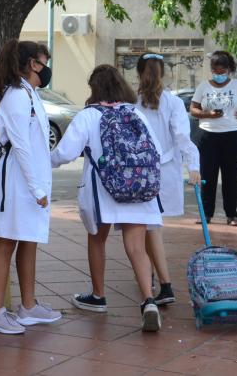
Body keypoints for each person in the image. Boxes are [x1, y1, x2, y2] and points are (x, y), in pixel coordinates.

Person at [52, 64, 164, 332]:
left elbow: (66, 153)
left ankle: (98, 296)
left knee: (97, 239)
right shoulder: (135, 113)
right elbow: (156, 150)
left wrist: (44, 161)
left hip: (105, 191)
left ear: (95, 88)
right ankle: (149, 301)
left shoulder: (89, 115)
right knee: (137, 247)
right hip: (139, 190)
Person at [0, 40, 62, 334]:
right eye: (44, 62)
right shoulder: (17, 96)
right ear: (33, 64)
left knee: (28, 238)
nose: (47, 69)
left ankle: (28, 307)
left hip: (27, 181)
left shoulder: (29, 93)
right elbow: (21, 147)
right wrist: (36, 189)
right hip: (15, 183)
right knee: (6, 241)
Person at [135, 53, 200, 305]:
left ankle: (164, 284)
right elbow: (183, 137)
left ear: (139, 73)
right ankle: (152, 278)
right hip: (165, 173)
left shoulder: (135, 103)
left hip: (140, 174)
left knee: (149, 229)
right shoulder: (172, 102)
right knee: (151, 227)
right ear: (163, 72)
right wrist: (193, 166)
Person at [190, 51, 237, 227]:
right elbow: (193, 109)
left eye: (222, 72)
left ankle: (232, 215)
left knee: (231, 177)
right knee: (208, 177)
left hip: (234, 137)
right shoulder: (203, 87)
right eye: (215, 71)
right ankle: (206, 214)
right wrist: (208, 114)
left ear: (229, 70)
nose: (219, 75)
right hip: (208, 137)